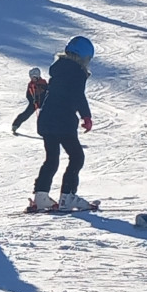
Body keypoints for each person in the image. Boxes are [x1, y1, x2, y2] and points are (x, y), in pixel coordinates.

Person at [27, 37, 95, 212]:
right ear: (84, 57)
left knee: (52, 159)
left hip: (47, 119)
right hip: (63, 121)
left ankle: (41, 196)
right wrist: (86, 116)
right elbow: (78, 95)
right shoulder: (77, 72)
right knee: (77, 157)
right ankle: (67, 196)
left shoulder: (58, 68)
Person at [10, 67, 48, 135]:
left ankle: (47, 130)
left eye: (34, 77)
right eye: (32, 77)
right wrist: (32, 100)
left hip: (43, 102)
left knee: (46, 116)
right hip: (34, 102)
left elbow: (47, 91)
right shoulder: (30, 84)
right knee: (26, 114)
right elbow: (28, 94)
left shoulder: (43, 82)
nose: (33, 79)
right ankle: (15, 125)